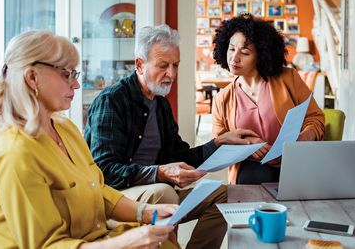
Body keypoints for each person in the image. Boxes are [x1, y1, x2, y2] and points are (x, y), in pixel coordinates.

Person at [0, 30, 179, 249]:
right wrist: (124, 243)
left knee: (163, 241)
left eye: (76, 74)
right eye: (67, 75)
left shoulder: (65, 129)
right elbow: (46, 245)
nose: (76, 85)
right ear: (32, 77)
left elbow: (97, 189)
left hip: (90, 240)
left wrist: (147, 212)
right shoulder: (15, 153)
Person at [84, 25, 257, 249]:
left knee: (225, 193)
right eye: (163, 65)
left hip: (159, 194)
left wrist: (220, 142)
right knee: (164, 191)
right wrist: (160, 173)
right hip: (118, 199)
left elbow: (180, 155)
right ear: (139, 65)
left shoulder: (160, 103)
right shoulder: (112, 100)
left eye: (175, 65)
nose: (172, 74)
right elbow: (103, 169)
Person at [211, 13, 325, 185]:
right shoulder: (222, 99)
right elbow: (219, 144)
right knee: (257, 176)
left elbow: (315, 118)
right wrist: (246, 147)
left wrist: (303, 138)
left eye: (245, 52)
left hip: (293, 162)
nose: (234, 58)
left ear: (261, 55)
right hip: (252, 169)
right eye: (231, 48)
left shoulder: (289, 78)